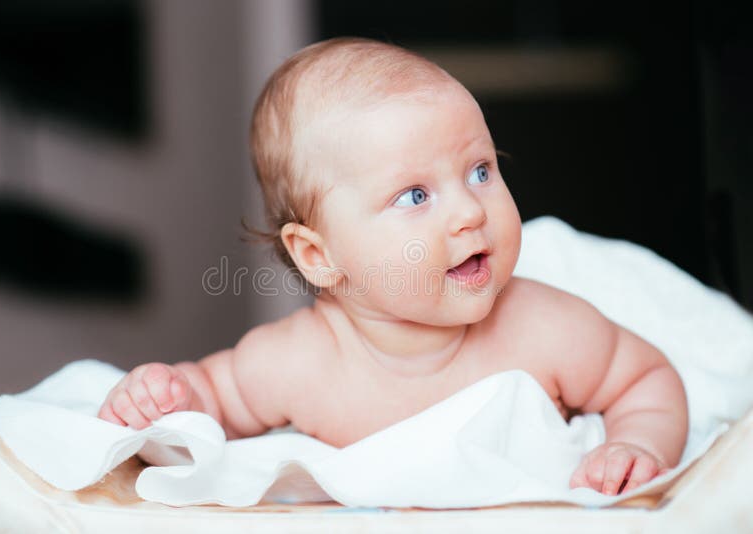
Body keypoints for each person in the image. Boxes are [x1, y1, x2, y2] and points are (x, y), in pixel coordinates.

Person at [98, 37, 687, 496]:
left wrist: (637, 445)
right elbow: (213, 399)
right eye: (415, 195)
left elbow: (647, 381)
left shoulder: (544, 329)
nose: (468, 213)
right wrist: (163, 397)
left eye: (480, 170)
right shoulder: (298, 362)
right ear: (319, 256)